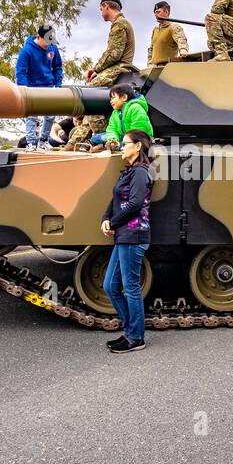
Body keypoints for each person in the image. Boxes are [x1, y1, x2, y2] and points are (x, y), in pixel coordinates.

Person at [101, 128, 155, 354]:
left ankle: (135, 337)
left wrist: (112, 223)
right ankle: (130, 330)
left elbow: (134, 205)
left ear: (138, 146)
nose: (121, 147)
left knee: (131, 288)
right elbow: (115, 199)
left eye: (125, 143)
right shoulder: (128, 172)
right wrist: (105, 218)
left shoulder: (142, 172)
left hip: (134, 235)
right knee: (110, 286)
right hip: (123, 235)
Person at [66, 0, 136, 150]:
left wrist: (96, 69)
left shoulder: (120, 24)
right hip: (118, 66)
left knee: (91, 92)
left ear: (106, 6)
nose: (101, 12)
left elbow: (114, 54)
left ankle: (102, 137)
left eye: (101, 9)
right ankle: (76, 141)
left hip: (121, 67)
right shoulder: (119, 24)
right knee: (90, 95)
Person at [16, 25, 64, 150]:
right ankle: (31, 142)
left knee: (50, 116)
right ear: (38, 37)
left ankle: (43, 141)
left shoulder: (53, 48)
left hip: (49, 86)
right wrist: (24, 90)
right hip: (32, 88)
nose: (49, 45)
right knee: (32, 116)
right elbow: (21, 72)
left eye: (51, 41)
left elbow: (58, 66)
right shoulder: (26, 51)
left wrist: (58, 85)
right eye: (46, 41)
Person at [94, 84, 154, 150]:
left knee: (123, 144)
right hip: (125, 136)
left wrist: (127, 142)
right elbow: (112, 129)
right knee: (99, 137)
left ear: (124, 97)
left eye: (113, 98)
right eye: (110, 98)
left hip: (140, 138)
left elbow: (139, 129)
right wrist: (113, 140)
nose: (111, 101)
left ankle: (118, 146)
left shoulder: (135, 108)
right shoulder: (115, 113)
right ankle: (91, 143)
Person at [149, 1, 189, 66]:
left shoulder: (173, 27)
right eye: (155, 13)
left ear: (166, 12)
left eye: (158, 12)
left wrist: (183, 49)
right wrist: (149, 63)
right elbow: (151, 48)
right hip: (154, 67)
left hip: (167, 67)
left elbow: (181, 39)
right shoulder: (155, 29)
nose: (156, 15)